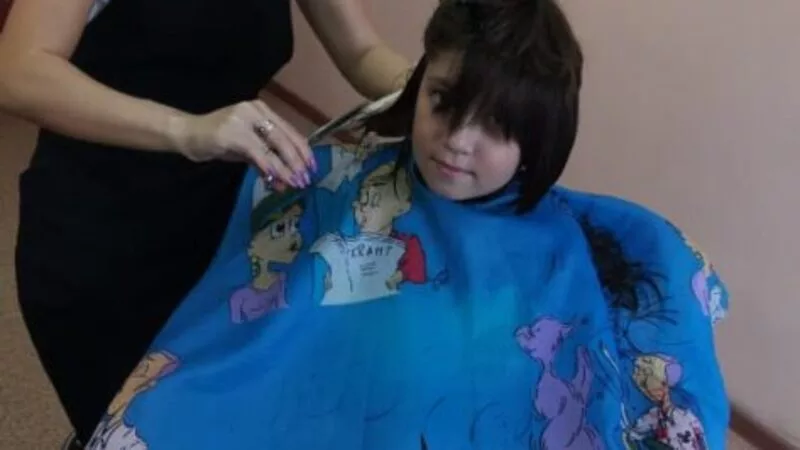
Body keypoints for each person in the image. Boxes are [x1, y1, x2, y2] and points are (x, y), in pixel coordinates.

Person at [89, 0, 731, 448]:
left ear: (541, 137)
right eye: (444, 103)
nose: (457, 141)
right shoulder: (337, 182)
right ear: (421, 88)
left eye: (496, 125)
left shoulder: (594, 243)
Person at [0, 0, 410, 447]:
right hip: (101, 242)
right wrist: (187, 130)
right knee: (134, 424)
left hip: (226, 237)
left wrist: (439, 93)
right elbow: (18, 70)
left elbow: (361, 52)